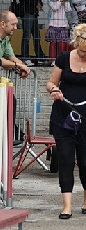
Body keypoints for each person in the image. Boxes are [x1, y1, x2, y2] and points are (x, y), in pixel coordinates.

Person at [46, 23, 86, 219]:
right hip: (63, 113)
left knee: (85, 161)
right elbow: (51, 82)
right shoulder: (64, 58)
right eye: (83, 51)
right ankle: (66, 204)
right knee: (65, 159)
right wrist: (54, 90)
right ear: (75, 44)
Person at [0, 11, 31, 144]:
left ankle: (10, 133)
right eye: (13, 24)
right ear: (2, 24)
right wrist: (17, 65)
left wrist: (23, 66)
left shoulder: (5, 39)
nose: (16, 28)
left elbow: (11, 57)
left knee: (10, 100)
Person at [45, 0, 72, 66]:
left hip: (63, 25)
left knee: (62, 44)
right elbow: (55, 7)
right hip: (53, 24)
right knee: (53, 44)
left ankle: (61, 59)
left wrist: (65, 2)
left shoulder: (64, 1)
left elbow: (68, 9)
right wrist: (60, 1)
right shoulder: (51, 1)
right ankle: (53, 60)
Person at [19, 0, 45, 66]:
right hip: (27, 13)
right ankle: (25, 58)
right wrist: (37, 3)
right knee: (27, 37)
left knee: (37, 36)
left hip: (34, 13)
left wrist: (40, 4)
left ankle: (40, 57)